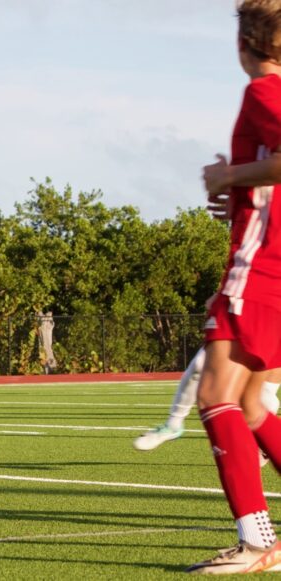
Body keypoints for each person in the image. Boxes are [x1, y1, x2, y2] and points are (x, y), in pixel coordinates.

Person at [186, 2, 281, 572]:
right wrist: (240, 190)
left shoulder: (263, 93)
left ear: (243, 41)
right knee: (249, 405)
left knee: (214, 397)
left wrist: (229, 176)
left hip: (262, 270)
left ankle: (255, 541)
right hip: (274, 266)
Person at [133, 347, 281, 452]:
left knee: (265, 398)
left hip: (268, 314)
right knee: (199, 364)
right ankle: (174, 424)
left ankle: (261, 445)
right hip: (235, 309)